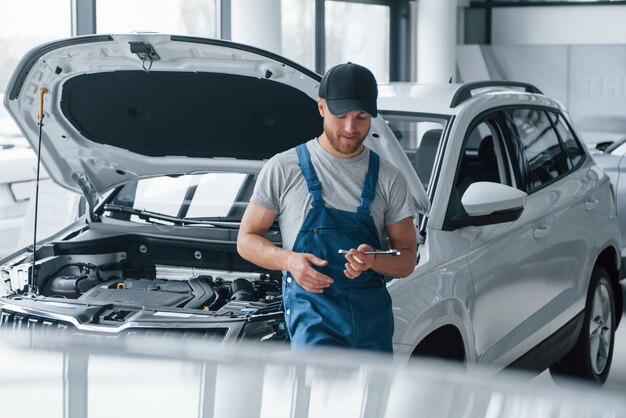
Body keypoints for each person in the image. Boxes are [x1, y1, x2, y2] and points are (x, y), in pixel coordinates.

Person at [237, 62, 417, 353]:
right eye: (341, 115)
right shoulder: (284, 168)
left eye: (361, 117)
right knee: (321, 397)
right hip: (312, 320)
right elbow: (246, 241)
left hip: (370, 325)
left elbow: (407, 259)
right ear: (321, 107)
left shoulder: (389, 177)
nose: (350, 127)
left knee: (370, 400)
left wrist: (372, 260)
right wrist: (290, 262)